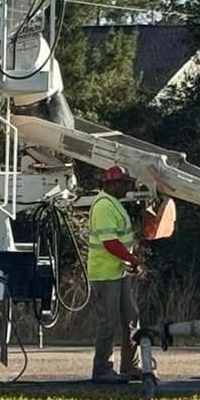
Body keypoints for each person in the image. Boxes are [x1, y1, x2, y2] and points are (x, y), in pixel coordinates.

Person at [87, 164, 145, 383]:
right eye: (125, 184)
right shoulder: (103, 206)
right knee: (108, 322)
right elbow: (110, 242)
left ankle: (131, 366)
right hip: (105, 274)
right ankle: (102, 370)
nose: (127, 189)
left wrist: (129, 259)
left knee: (130, 317)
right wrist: (131, 259)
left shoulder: (112, 203)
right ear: (114, 184)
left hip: (117, 272)